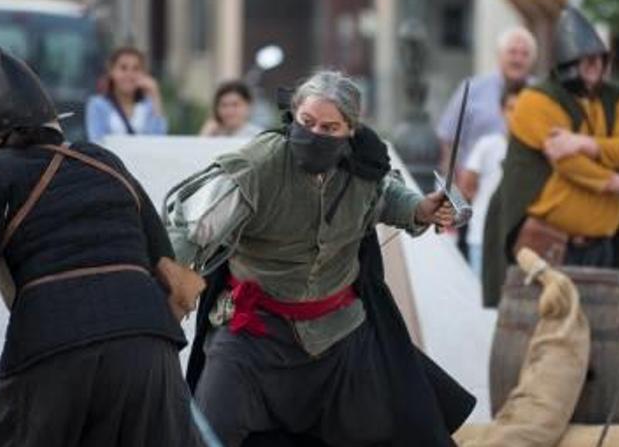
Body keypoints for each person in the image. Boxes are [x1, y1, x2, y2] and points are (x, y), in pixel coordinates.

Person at [167, 70, 474, 446]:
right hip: (252, 334)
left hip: (340, 335)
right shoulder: (257, 164)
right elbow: (192, 228)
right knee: (210, 430)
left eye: (329, 128)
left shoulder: (363, 165)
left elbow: (384, 195)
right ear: (292, 115)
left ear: (350, 131)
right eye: (306, 122)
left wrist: (421, 209)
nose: (315, 134)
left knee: (404, 424)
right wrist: (163, 285)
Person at [0, 49, 202, 446]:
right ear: (55, 125)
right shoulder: (104, 163)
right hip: (148, 348)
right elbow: (163, 258)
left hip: (53, 347)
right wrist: (139, 335)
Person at [482, 6, 619, 309]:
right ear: (569, 61)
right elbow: (566, 161)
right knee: (548, 329)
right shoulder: (535, 100)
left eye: (599, 57)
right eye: (586, 58)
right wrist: (618, 184)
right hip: (550, 241)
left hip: (602, 242)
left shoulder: (618, 98)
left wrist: (582, 142)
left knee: (598, 330)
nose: (595, 64)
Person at [436, 26, 537, 257]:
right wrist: (456, 184)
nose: (518, 58)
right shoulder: (473, 88)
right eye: (513, 52)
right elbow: (448, 138)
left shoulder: (540, 93)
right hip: (473, 196)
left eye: (524, 54)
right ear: (499, 55)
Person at [461, 83, 521, 277]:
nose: (516, 115)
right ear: (502, 111)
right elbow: (466, 186)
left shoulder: (536, 150)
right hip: (482, 237)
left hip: (520, 240)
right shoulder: (487, 145)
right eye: (511, 108)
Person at [85, 47, 167, 143]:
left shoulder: (148, 105)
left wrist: (155, 95)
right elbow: (96, 142)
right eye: (123, 68)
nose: (129, 74)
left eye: (136, 69)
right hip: (111, 158)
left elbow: (159, 139)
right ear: (112, 71)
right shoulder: (97, 105)